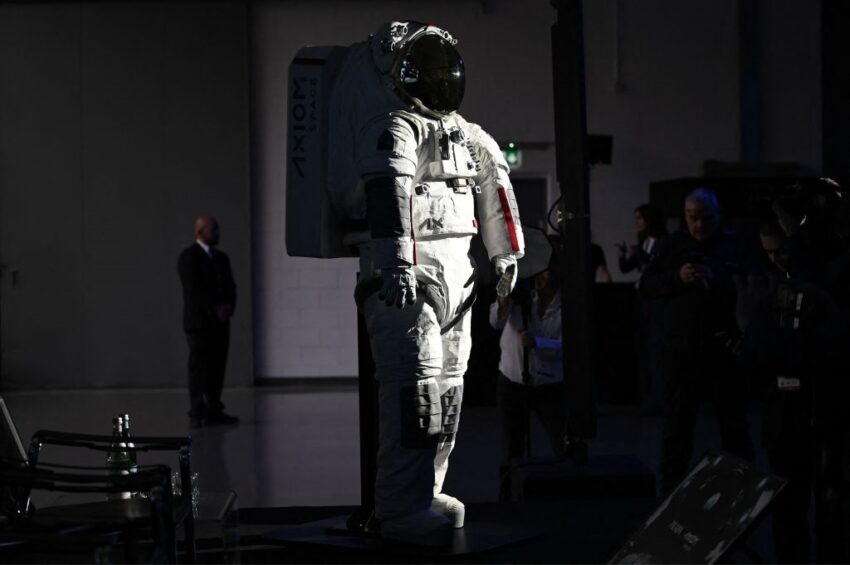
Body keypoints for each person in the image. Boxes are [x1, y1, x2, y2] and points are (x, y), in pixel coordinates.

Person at [327, 22, 525, 543]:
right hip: (409, 280)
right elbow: (387, 194)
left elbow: (496, 187)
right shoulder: (394, 128)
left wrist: (505, 256)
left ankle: (427, 492)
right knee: (414, 397)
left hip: (458, 277)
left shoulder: (467, 133)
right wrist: (395, 263)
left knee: (449, 396)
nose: (440, 82)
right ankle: (398, 507)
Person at [639, 188, 755, 495]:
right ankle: (669, 494)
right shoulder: (673, 246)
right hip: (682, 350)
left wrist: (718, 280)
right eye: (693, 218)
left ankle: (743, 493)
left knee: (734, 425)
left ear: (718, 217)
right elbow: (647, 285)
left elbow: (752, 286)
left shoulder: (734, 246)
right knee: (676, 428)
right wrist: (678, 278)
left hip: (723, 350)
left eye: (705, 218)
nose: (699, 225)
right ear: (685, 216)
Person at [490, 255, 565, 500]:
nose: (540, 279)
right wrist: (504, 296)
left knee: (562, 441)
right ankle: (507, 501)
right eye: (538, 273)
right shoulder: (523, 298)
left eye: (546, 273)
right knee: (512, 448)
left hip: (548, 385)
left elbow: (565, 347)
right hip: (512, 381)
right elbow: (496, 321)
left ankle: (565, 497)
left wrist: (536, 343)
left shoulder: (565, 307)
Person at [177, 214, 238, 429]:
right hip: (199, 324)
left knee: (217, 368)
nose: (218, 233)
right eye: (214, 229)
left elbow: (231, 286)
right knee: (198, 368)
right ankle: (197, 411)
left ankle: (213, 410)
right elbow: (194, 290)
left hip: (220, 324)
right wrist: (215, 309)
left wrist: (228, 308)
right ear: (200, 231)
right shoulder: (188, 257)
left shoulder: (222, 258)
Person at [616, 203, 667, 276]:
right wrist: (622, 256)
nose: (636, 222)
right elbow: (625, 268)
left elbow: (659, 265)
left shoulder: (662, 241)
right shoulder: (642, 245)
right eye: (636, 218)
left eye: (639, 218)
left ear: (648, 218)